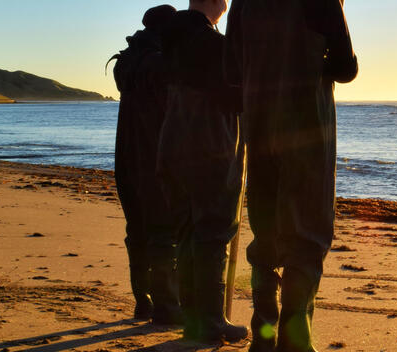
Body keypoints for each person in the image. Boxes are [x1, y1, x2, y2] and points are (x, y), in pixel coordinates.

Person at [225, 1, 356, 351]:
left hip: (260, 122)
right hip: (306, 125)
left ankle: (263, 335)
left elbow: (231, 67)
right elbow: (345, 67)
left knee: (266, 233)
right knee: (307, 234)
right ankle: (295, 341)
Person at [158, 0, 247, 344]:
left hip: (173, 144)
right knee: (213, 232)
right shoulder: (212, 44)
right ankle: (210, 321)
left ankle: (196, 317)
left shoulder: (170, 40)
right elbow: (233, 96)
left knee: (187, 232)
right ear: (214, 3)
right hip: (209, 146)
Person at [111, 4, 182, 325]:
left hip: (127, 158)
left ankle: (143, 300)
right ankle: (167, 304)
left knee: (137, 231)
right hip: (155, 157)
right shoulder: (161, 63)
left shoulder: (126, 62)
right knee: (163, 233)